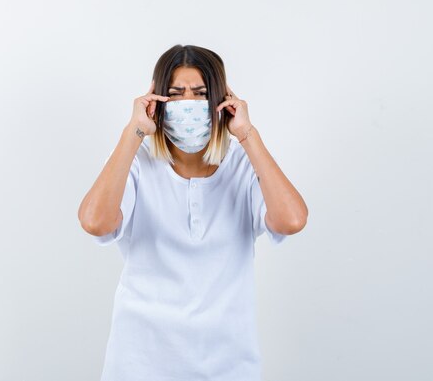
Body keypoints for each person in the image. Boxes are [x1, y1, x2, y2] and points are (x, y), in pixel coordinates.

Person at [78, 44, 308, 381]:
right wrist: (134, 132)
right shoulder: (138, 164)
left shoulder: (243, 166)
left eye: (200, 94)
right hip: (140, 363)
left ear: (220, 102)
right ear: (157, 102)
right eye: (175, 94)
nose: (188, 103)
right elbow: (95, 223)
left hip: (229, 364)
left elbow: (291, 220)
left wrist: (247, 134)